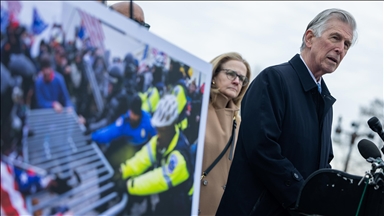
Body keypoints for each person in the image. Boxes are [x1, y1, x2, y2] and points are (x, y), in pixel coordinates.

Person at [216, 8, 357, 215]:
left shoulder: (326, 103)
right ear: (309, 38)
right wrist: (304, 197)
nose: (340, 49)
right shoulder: (273, 80)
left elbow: (321, 166)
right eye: (335, 38)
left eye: (346, 44)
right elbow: (262, 149)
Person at [116, 94, 193, 215]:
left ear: (172, 126)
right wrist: (123, 170)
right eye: (157, 129)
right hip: (167, 199)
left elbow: (158, 179)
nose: (158, 135)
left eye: (162, 130)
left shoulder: (180, 158)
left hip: (181, 206)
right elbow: (142, 159)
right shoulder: (159, 141)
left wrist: (130, 185)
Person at [198, 52, 251, 215]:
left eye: (242, 79)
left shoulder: (239, 124)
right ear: (213, 74)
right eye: (231, 74)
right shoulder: (194, 108)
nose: (237, 81)